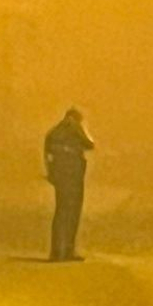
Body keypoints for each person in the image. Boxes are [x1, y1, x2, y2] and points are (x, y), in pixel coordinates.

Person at [44, 107, 93, 262]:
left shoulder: (53, 133)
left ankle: (56, 251)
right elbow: (90, 144)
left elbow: (48, 157)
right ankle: (68, 250)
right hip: (74, 177)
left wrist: (52, 174)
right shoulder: (76, 131)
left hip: (61, 178)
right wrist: (82, 129)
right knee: (72, 214)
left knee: (61, 213)